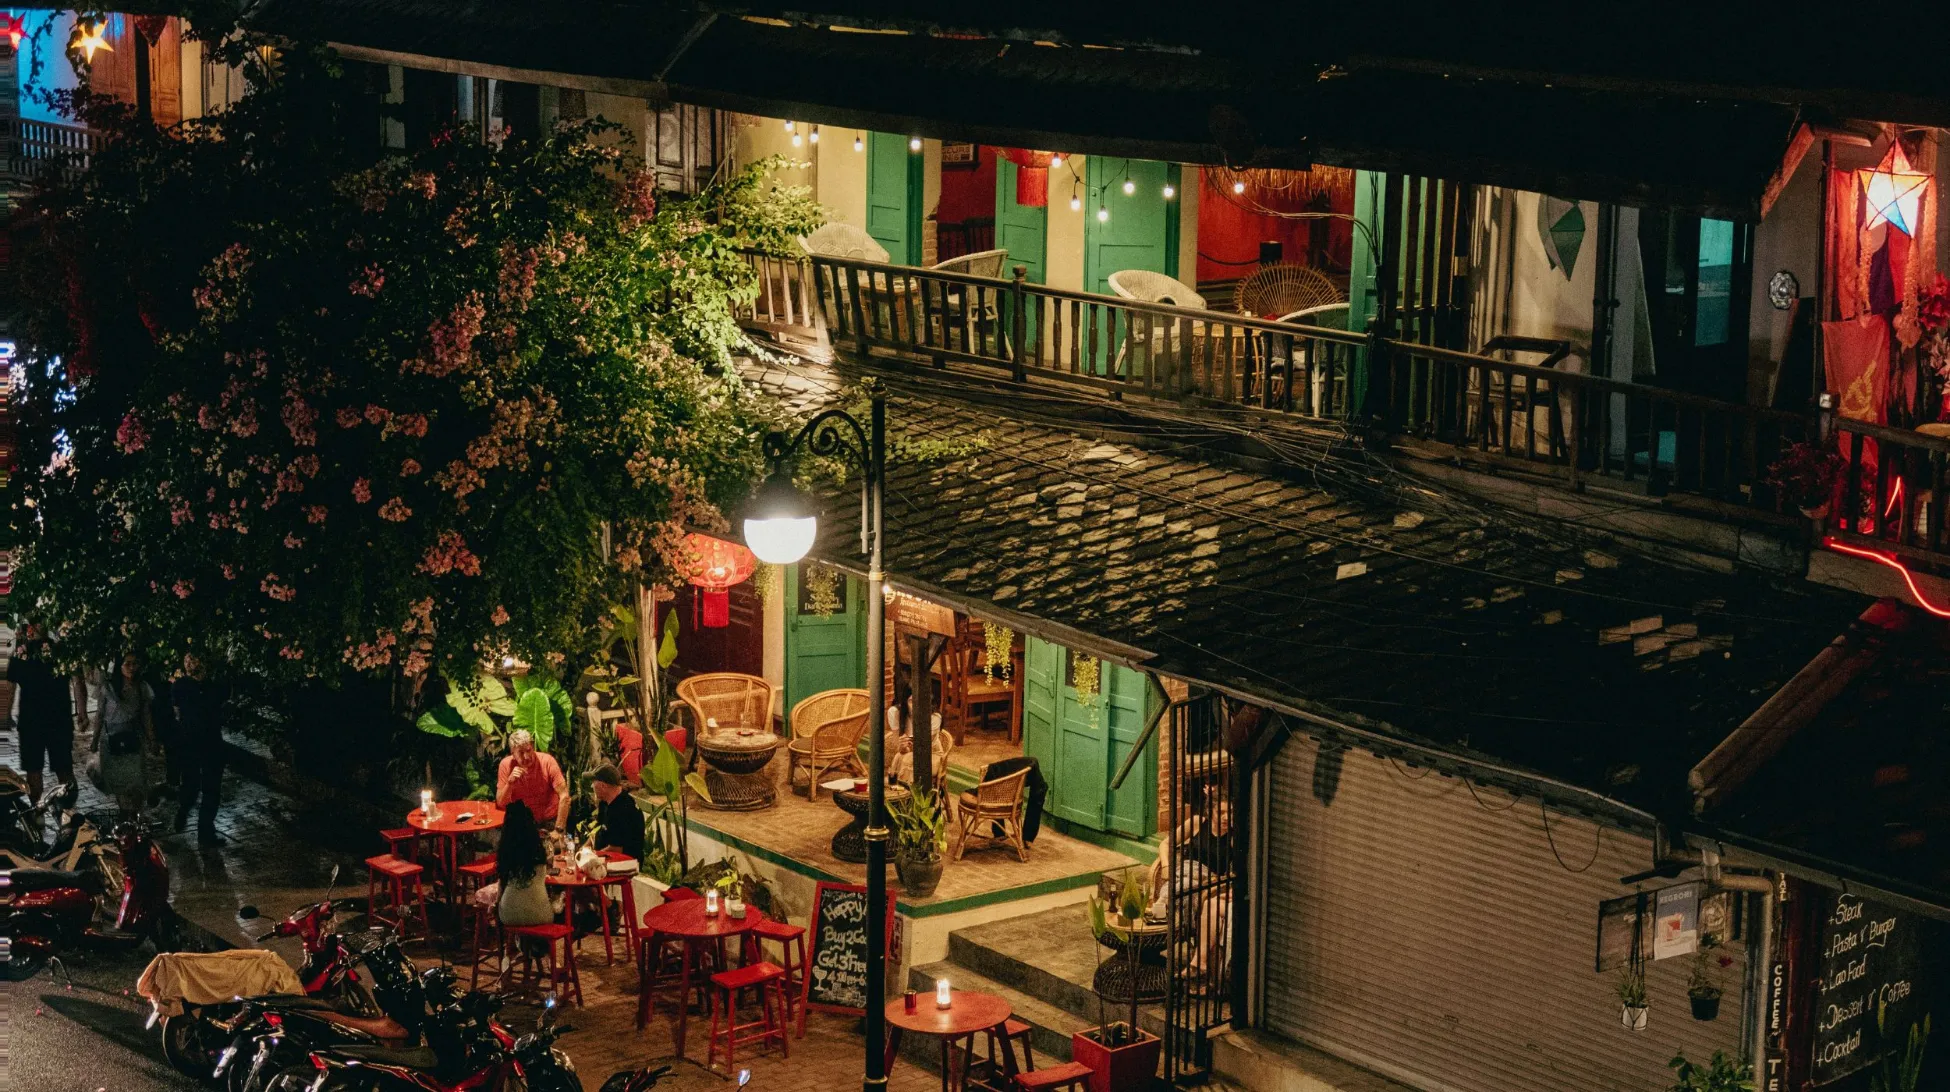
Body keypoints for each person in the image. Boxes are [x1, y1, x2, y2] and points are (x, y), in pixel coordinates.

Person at [5, 629, 77, 802]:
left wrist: (6, 714)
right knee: (43, 769)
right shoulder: (57, 648)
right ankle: (47, 810)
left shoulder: (28, 649)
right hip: (48, 719)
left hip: (43, 719)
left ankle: (58, 809)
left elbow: (10, 685)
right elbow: (11, 684)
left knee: (53, 769)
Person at [172, 653, 230, 846]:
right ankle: (183, 810)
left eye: (194, 660)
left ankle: (205, 831)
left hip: (211, 741)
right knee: (191, 784)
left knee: (211, 788)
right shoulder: (180, 686)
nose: (190, 664)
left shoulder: (216, 686)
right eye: (187, 661)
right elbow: (177, 712)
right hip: (190, 742)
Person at [95, 653, 157, 817]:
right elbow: (100, 714)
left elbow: (146, 715)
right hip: (111, 738)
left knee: (135, 779)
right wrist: (94, 740)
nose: (131, 668)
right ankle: (125, 814)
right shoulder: (109, 687)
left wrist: (152, 739)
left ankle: (134, 814)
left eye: (135, 664)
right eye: (127, 664)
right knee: (119, 781)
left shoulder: (142, 687)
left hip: (133, 736)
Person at [494, 801, 560, 928]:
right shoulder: (540, 851)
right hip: (540, 915)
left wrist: (496, 905)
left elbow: (501, 885)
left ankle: (523, 944)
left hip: (508, 915)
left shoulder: (506, 853)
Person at [495, 729, 568, 831]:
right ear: (513, 753)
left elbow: (564, 796)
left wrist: (558, 829)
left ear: (532, 747)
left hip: (550, 820)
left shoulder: (547, 761)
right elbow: (501, 804)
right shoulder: (506, 765)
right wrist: (509, 783)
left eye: (528, 750)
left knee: (555, 845)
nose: (526, 756)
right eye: (521, 753)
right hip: (522, 822)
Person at [589, 764, 643, 862]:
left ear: (603, 786)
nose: (591, 786)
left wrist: (592, 858)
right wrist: (584, 849)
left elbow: (616, 850)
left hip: (622, 863)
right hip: (603, 857)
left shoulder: (623, 809)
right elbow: (599, 829)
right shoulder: (605, 803)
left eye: (593, 782)